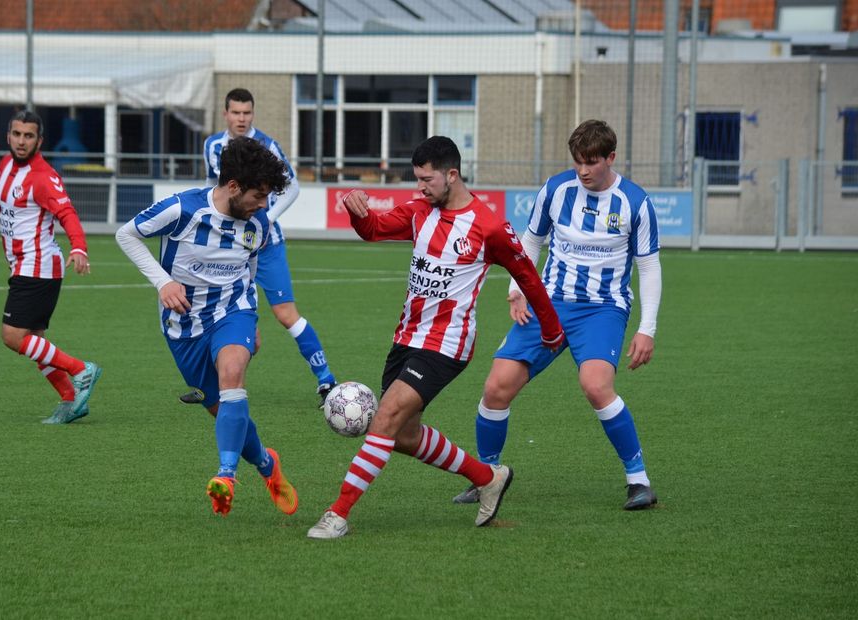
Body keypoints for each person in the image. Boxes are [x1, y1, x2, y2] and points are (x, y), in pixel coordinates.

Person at [306, 136, 564, 540]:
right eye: (418, 180)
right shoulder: (418, 212)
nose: (420, 187)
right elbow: (373, 230)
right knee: (404, 437)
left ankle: (337, 513)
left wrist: (551, 329)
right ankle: (488, 477)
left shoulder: (489, 225)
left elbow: (528, 276)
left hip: (447, 343)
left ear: (452, 175)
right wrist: (357, 211)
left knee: (385, 418)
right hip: (407, 337)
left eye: (427, 180)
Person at [452, 119, 662, 510]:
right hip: (549, 304)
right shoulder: (555, 190)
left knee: (596, 386)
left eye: (592, 162)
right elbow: (530, 241)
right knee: (496, 386)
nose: (583, 170)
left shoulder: (635, 202)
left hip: (603, 309)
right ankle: (487, 477)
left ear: (611, 158)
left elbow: (649, 267)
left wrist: (646, 328)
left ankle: (639, 481)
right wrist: (518, 291)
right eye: (578, 161)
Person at [115, 137, 299, 518]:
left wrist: (252, 320)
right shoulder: (184, 209)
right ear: (233, 186)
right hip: (184, 327)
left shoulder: (259, 223)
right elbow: (125, 234)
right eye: (258, 195)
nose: (264, 205)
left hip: (234, 312)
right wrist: (162, 282)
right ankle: (267, 465)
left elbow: (249, 267)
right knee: (226, 413)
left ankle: (225, 477)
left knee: (233, 374)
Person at [179, 87, 336, 408]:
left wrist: (266, 221)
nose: (241, 118)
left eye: (247, 113)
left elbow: (292, 186)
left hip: (265, 245)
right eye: (236, 112)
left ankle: (326, 381)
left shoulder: (267, 146)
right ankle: (210, 382)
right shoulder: (212, 145)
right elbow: (215, 189)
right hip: (224, 245)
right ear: (226, 114)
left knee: (284, 314)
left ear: (253, 114)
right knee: (210, 310)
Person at [0, 109, 102, 425]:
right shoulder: (7, 165)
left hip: (37, 266)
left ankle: (80, 370)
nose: (22, 142)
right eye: (17, 134)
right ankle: (70, 399)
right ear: (8, 136)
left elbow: (67, 213)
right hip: (24, 266)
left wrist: (79, 246)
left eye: (29, 136)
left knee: (12, 336)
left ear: (39, 140)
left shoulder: (43, 177)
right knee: (35, 341)